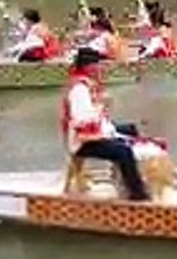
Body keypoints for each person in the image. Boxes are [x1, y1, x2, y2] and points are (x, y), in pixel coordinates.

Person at [61, 48, 150, 201]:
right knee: (124, 151)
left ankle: (124, 175)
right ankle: (138, 195)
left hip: (93, 131)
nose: (102, 67)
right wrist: (102, 109)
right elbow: (83, 121)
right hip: (83, 140)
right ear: (89, 67)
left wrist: (104, 117)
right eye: (99, 64)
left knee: (130, 130)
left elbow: (96, 115)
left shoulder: (89, 84)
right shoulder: (79, 89)